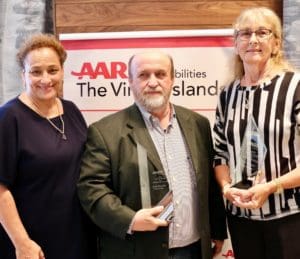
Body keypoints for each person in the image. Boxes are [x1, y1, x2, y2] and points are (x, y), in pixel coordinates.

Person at [77, 50, 227, 259]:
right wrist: (129, 220)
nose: (153, 82)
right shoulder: (104, 132)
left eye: (160, 74)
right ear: (130, 81)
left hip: (192, 249)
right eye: (143, 75)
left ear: (172, 79)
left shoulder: (198, 124)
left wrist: (217, 229)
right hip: (137, 250)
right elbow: (91, 188)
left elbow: (208, 182)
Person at [213, 6, 300, 259]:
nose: (253, 40)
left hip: (289, 217)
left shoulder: (294, 87)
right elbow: (219, 154)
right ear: (236, 44)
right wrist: (227, 187)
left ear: (275, 43)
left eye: (262, 32)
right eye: (245, 33)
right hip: (241, 219)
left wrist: (272, 186)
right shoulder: (227, 94)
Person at [0, 33, 97, 259]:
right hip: (33, 243)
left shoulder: (71, 110)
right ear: (23, 75)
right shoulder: (8, 118)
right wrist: (22, 243)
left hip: (75, 235)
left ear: (62, 71)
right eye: (36, 71)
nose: (46, 79)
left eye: (53, 70)